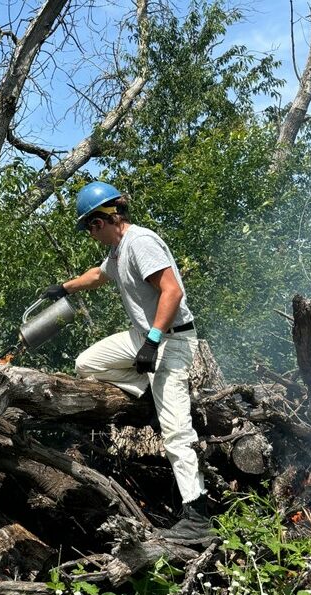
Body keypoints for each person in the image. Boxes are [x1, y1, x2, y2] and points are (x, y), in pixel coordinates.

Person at [42, 181, 210, 543]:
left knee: (176, 431)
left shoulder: (141, 243)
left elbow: (172, 290)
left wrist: (151, 343)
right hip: (145, 335)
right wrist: (64, 288)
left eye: (90, 226)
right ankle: (148, 390)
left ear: (102, 219)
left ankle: (198, 516)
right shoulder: (118, 251)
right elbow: (99, 275)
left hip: (171, 339)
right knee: (86, 363)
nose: (90, 234)